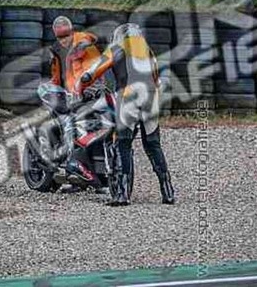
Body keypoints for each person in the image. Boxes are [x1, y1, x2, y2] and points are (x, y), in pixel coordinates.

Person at [78, 23, 175, 206]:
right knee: (153, 144)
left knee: (123, 143)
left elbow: (91, 73)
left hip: (129, 97)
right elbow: (158, 81)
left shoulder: (116, 48)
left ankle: (122, 195)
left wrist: (81, 87)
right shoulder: (148, 51)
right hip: (151, 98)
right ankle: (168, 191)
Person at [47, 16, 105, 192]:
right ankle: (74, 177)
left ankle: (94, 175)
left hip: (91, 95)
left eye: (66, 35)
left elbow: (98, 69)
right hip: (72, 96)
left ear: (72, 32)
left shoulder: (84, 44)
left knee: (85, 129)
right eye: (60, 37)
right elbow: (57, 76)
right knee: (68, 125)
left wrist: (93, 90)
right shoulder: (56, 51)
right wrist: (54, 90)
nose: (63, 40)